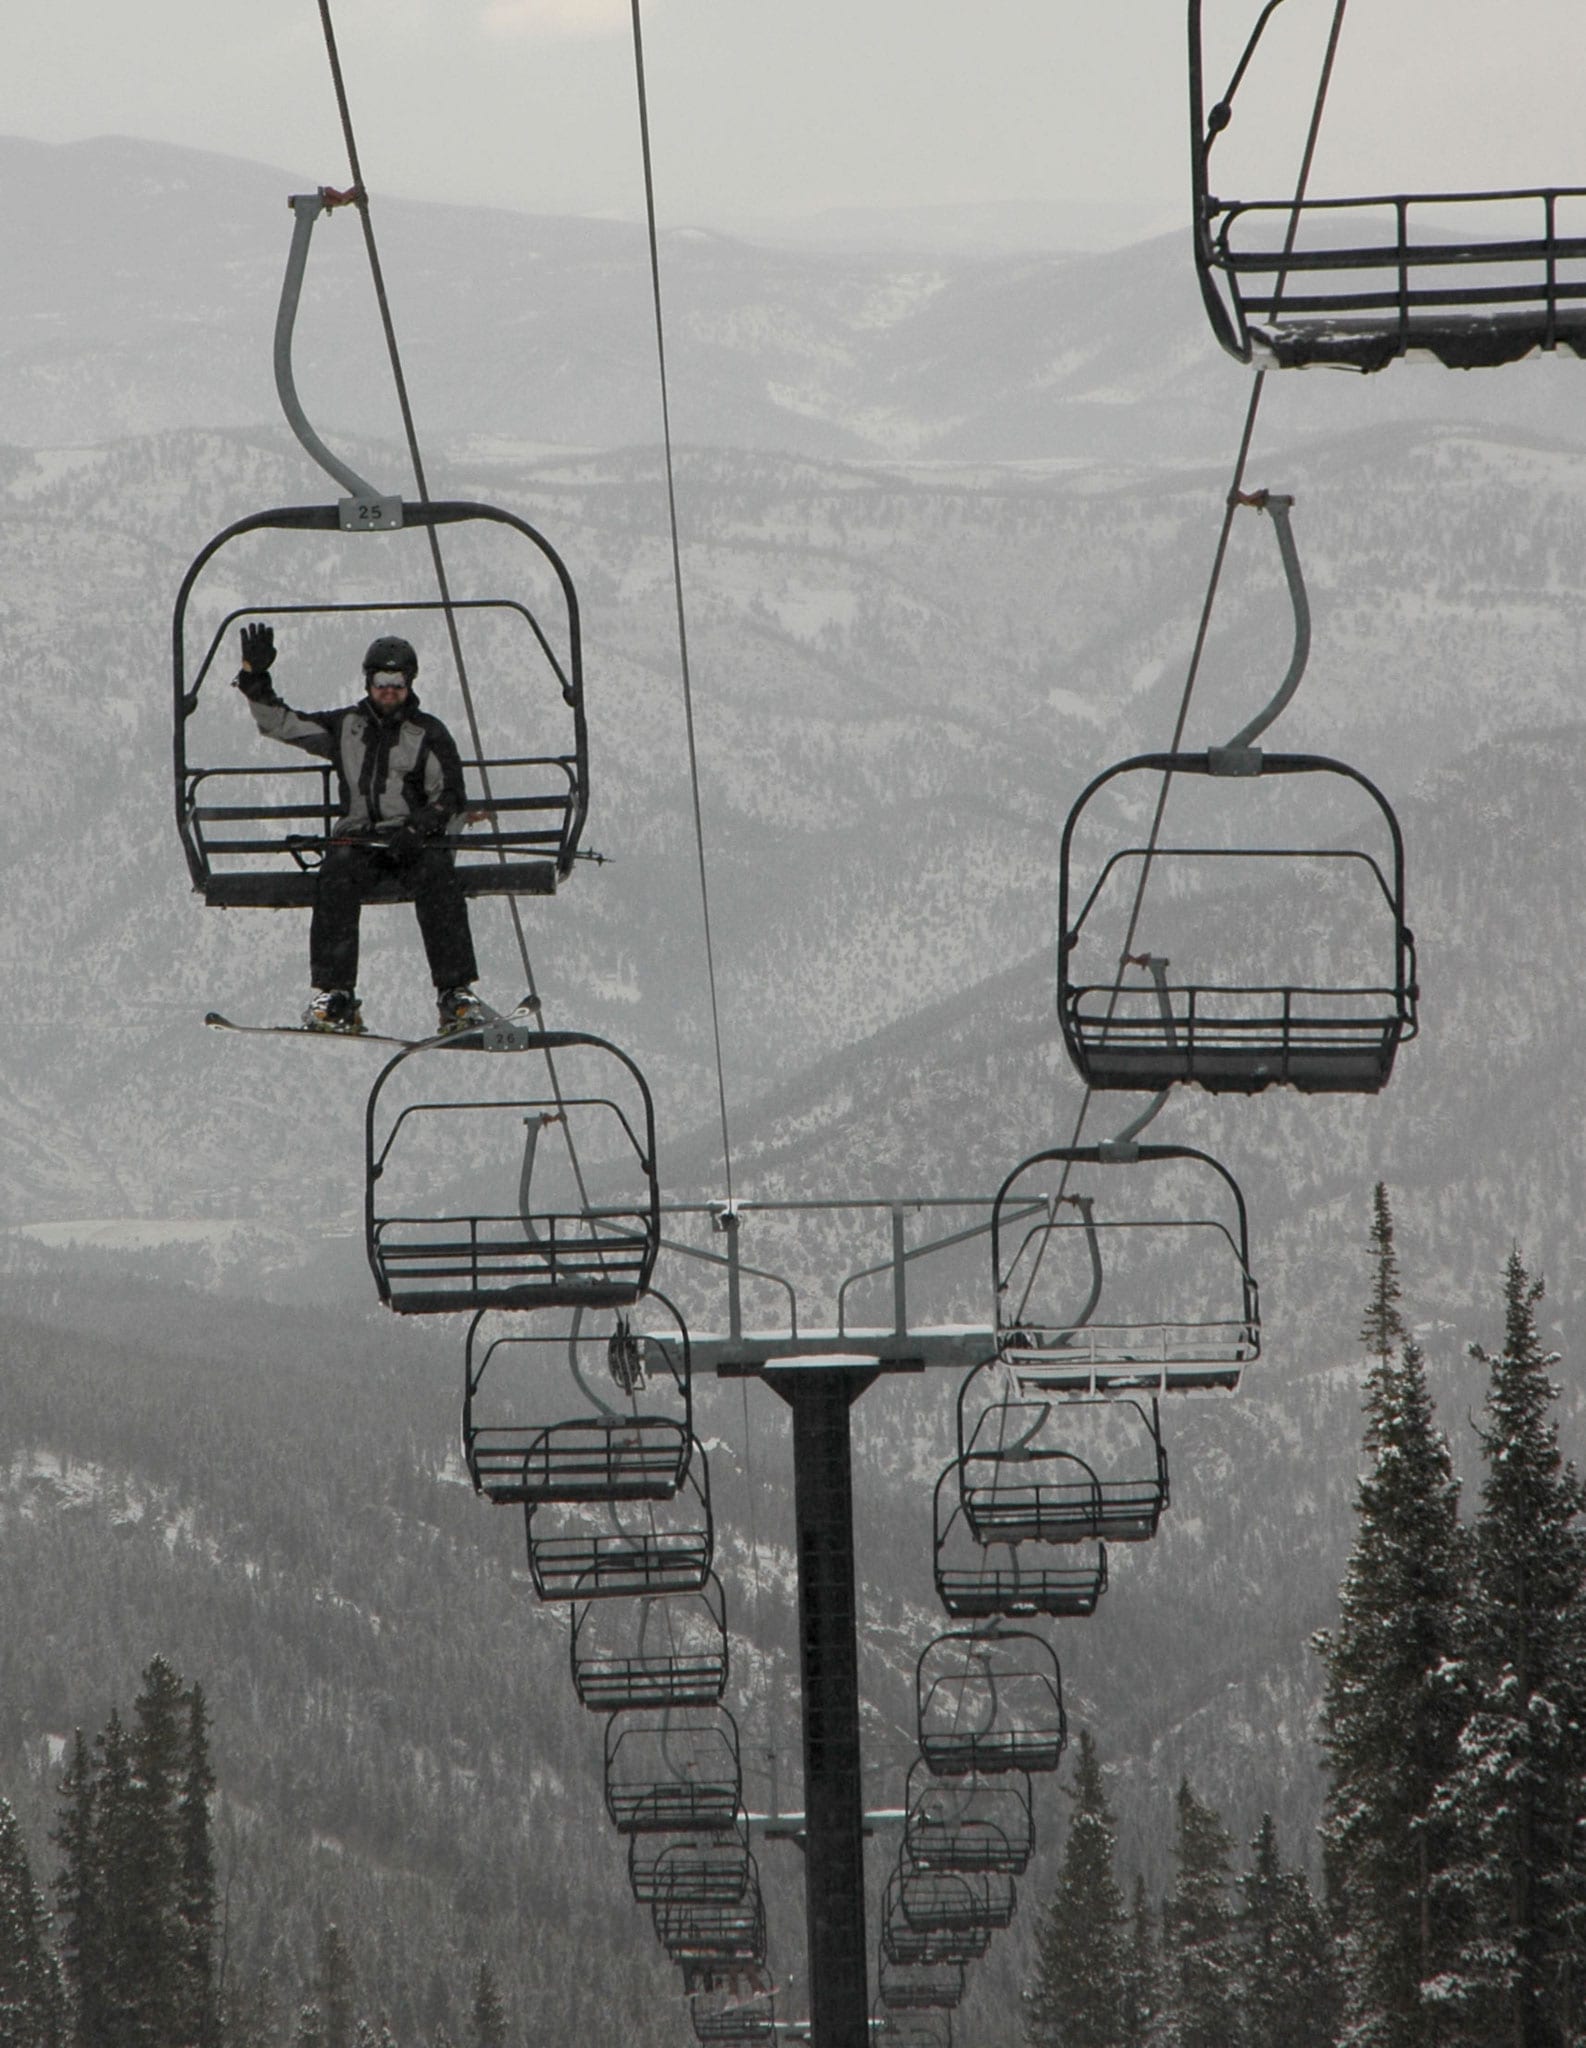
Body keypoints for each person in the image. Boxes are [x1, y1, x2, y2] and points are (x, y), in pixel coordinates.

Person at [234, 623, 487, 1035]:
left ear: (410, 684)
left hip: (410, 845)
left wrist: (419, 830)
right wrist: (254, 679)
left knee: (438, 876)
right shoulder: (346, 728)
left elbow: (450, 795)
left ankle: (454, 993)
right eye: (381, 681)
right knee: (336, 873)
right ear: (368, 682)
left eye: (398, 682)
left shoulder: (428, 734)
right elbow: (283, 724)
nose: (389, 690)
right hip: (359, 843)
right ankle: (336, 995)